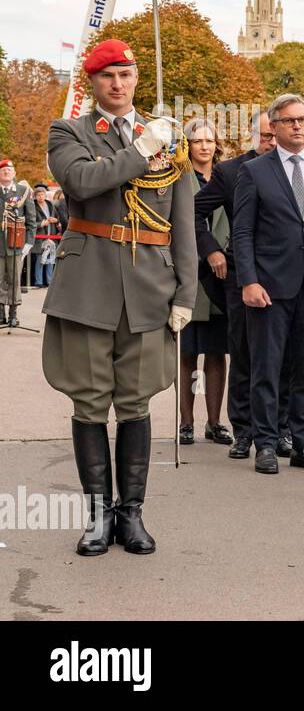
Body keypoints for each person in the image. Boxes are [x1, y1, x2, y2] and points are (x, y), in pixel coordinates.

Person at [44, 38, 198, 556]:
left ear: (136, 79)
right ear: (93, 82)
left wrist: (187, 292)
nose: (118, 83)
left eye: (126, 74)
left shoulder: (167, 136)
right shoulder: (70, 131)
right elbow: (83, 181)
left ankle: (130, 514)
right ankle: (95, 516)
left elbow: (183, 223)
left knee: (134, 401)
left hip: (150, 284)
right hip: (88, 285)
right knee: (90, 401)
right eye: (108, 75)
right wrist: (139, 152)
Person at [232, 93, 304, 475]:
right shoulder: (255, 171)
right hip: (269, 288)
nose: (297, 126)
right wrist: (249, 280)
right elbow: (242, 231)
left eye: (302, 120)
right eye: (289, 121)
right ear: (273, 127)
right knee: (267, 369)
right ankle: (266, 444)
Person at [194, 111, 276, 460]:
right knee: (243, 355)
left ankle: (280, 430)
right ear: (252, 136)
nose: (272, 142)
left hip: (286, 275)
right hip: (241, 276)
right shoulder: (230, 172)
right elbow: (192, 211)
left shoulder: (302, 169)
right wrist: (211, 249)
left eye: (276, 135)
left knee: (282, 359)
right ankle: (243, 431)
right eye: (266, 136)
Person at [177, 118, 231, 446]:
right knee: (187, 352)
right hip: (188, 274)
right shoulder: (179, 178)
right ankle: (185, 423)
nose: (205, 146)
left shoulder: (227, 175)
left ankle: (214, 422)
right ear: (189, 145)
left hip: (222, 274)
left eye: (210, 140)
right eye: (198, 141)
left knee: (216, 352)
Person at [1, 158, 36, 326]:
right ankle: (1, 314)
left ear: (14, 173)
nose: (6, 172)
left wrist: (28, 244)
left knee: (14, 280)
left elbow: (31, 220)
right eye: (2, 170)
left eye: (9, 170)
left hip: (15, 245)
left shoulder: (22, 191)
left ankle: (13, 314)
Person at [31, 183, 63, 288]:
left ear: (45, 195)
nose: (41, 196)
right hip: (40, 237)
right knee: (40, 259)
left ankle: (49, 281)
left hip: (51, 235)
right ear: (35, 196)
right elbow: (30, 222)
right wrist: (41, 224)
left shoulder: (50, 205)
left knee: (50, 259)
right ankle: (38, 281)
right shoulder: (32, 206)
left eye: (42, 194)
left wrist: (55, 220)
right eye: (38, 195)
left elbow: (57, 218)